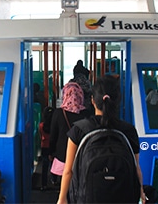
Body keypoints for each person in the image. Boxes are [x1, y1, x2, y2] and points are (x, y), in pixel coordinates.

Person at [57, 75, 146, 204]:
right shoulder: (128, 130)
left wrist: (62, 198)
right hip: (123, 197)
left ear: (92, 101)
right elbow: (136, 167)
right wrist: (141, 191)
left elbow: (68, 171)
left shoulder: (79, 129)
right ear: (117, 101)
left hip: (87, 197)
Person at [49, 82, 91, 183]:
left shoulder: (58, 113)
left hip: (62, 156)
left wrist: (51, 152)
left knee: (64, 186)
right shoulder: (87, 114)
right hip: (82, 157)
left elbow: (53, 135)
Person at [39, 106, 55, 191]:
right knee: (53, 164)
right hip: (52, 146)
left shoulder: (41, 126)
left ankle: (43, 184)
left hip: (44, 146)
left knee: (44, 166)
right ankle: (54, 180)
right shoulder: (54, 126)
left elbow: (40, 136)